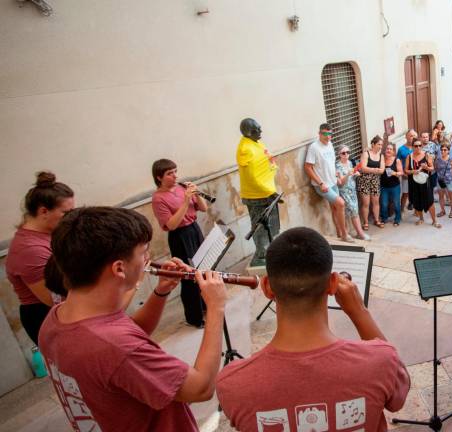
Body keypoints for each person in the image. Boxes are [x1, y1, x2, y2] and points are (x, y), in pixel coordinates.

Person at [39, 207, 227, 431]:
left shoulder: (56, 318)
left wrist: (161, 290)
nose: (148, 259)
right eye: (144, 252)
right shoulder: (114, 346)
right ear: (119, 268)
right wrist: (216, 307)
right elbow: (200, 388)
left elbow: (130, 336)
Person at [216, 227, 410, 431]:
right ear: (333, 283)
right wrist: (359, 311)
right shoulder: (381, 360)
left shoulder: (233, 383)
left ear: (266, 287)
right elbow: (399, 398)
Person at [6, 172, 74, 345]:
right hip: (46, 316)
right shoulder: (29, 250)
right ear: (44, 211)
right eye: (65, 213)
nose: (70, 218)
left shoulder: (50, 233)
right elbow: (54, 299)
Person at [151, 159, 208, 328]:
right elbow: (171, 225)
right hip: (179, 236)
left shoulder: (181, 187)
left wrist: (196, 194)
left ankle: (204, 305)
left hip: (194, 229)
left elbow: (203, 208)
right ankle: (193, 317)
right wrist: (185, 201)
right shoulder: (158, 199)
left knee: (202, 269)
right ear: (159, 177)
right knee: (189, 277)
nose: (175, 176)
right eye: (170, 173)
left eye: (175, 171)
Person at [236, 118, 280, 270]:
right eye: (256, 130)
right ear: (248, 133)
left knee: (271, 224)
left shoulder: (256, 142)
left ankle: (270, 249)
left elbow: (265, 159)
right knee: (260, 226)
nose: (260, 132)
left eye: (260, 129)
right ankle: (261, 254)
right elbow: (252, 177)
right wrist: (269, 192)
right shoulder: (245, 149)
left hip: (267, 191)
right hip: (256, 195)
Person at [305, 123, 351, 242]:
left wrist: (336, 173)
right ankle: (345, 235)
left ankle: (339, 234)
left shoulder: (330, 144)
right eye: (325, 133)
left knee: (335, 208)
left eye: (330, 134)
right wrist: (321, 183)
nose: (328, 136)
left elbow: (330, 162)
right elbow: (308, 167)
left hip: (333, 182)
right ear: (319, 133)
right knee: (341, 204)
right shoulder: (314, 147)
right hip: (322, 185)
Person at [336, 146, 369, 241]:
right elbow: (341, 183)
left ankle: (349, 233)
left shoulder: (350, 163)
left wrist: (355, 175)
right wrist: (347, 175)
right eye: (343, 153)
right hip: (344, 192)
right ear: (339, 155)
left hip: (352, 191)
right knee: (354, 211)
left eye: (347, 152)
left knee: (352, 212)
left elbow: (351, 177)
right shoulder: (338, 166)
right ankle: (360, 234)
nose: (346, 154)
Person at [405, 139, 441, 228]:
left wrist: (426, 167)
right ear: (412, 147)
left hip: (425, 182)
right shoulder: (409, 157)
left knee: (430, 201)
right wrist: (413, 171)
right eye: (416, 146)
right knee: (417, 200)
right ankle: (421, 218)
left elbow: (432, 168)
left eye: (420, 145)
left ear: (422, 146)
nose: (418, 147)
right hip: (413, 182)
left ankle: (434, 221)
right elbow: (406, 170)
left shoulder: (426, 155)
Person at [358, 136, 385, 229]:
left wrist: (371, 170)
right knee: (366, 203)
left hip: (375, 182)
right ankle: (365, 222)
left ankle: (377, 220)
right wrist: (374, 169)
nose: (380, 146)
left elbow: (382, 170)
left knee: (376, 202)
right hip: (364, 181)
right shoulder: (366, 154)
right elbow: (362, 168)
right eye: (379, 144)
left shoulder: (381, 156)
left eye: (381, 144)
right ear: (373, 144)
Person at [379, 142, 404, 226]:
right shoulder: (382, 160)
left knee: (396, 203)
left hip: (395, 186)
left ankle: (397, 218)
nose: (388, 150)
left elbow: (401, 173)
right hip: (384, 186)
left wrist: (395, 173)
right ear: (385, 150)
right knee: (384, 203)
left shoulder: (396, 160)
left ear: (393, 151)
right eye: (387, 149)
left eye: (390, 149)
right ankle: (384, 218)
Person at [435, 144, 452, 218]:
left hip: (450, 180)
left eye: (445, 150)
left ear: (448, 151)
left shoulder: (451, 159)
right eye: (441, 150)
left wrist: (451, 176)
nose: (443, 151)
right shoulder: (438, 159)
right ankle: (442, 210)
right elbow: (436, 168)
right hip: (440, 180)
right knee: (441, 196)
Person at [397, 129, 417, 212]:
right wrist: (402, 173)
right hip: (406, 175)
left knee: (417, 193)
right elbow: (398, 161)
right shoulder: (401, 149)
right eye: (411, 135)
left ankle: (417, 211)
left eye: (414, 136)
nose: (412, 137)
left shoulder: (417, 146)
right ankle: (401, 210)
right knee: (405, 193)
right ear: (406, 137)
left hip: (416, 174)